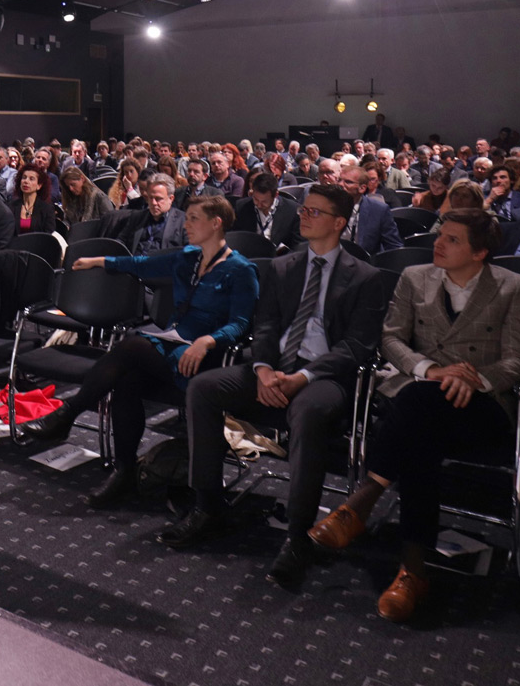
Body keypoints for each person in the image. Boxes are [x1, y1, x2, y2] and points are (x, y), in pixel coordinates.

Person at [308, 209, 520, 621]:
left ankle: (363, 500)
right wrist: (430, 370)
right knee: (421, 432)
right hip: (421, 391)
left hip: (479, 404)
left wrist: (476, 380)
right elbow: (391, 338)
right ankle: (412, 571)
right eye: (440, 235)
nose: (438, 243)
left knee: (416, 413)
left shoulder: (512, 287)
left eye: (452, 239)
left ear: (480, 252)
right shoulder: (415, 277)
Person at [165, 184, 386, 586]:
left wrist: (302, 377)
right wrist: (265, 369)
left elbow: (356, 346)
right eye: (304, 209)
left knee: (307, 410)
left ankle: (298, 535)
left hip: (324, 375)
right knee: (203, 388)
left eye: (315, 212)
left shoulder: (366, 277)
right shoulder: (283, 266)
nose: (304, 216)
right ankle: (208, 506)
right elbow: (264, 325)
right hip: (274, 365)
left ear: (339, 223)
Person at [19, 196, 258, 506]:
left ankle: (68, 414)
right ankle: (124, 470)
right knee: (126, 379)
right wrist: (98, 261)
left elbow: (241, 324)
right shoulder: (189, 257)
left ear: (216, 224)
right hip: (172, 345)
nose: (186, 224)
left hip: (203, 359)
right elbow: (140, 264)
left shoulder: (241, 270)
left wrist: (208, 341)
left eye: (193, 219)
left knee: (132, 345)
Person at [102, 173, 186, 254]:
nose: (153, 203)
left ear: (171, 198)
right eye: (150, 198)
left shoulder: (183, 222)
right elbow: (120, 243)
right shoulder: (137, 218)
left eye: (158, 199)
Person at [234, 170, 301, 251]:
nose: (259, 205)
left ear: (276, 195)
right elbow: (235, 237)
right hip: (250, 253)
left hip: (280, 256)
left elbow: (298, 244)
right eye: (256, 199)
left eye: (264, 202)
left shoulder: (291, 210)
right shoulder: (241, 207)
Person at [342, 165, 402, 254]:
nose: (340, 184)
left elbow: (394, 246)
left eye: (348, 182)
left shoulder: (378, 210)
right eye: (339, 180)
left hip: (365, 260)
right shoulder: (326, 206)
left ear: (362, 188)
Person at [10, 163, 57, 234]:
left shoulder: (47, 208)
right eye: (24, 177)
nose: (26, 181)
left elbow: (48, 234)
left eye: (31, 179)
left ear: (39, 185)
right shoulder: (11, 206)